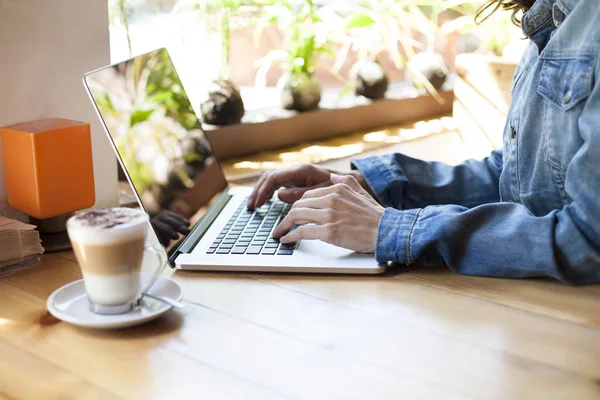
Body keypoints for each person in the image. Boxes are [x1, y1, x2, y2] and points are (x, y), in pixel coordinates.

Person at [248, 0, 600, 285]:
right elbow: (515, 176)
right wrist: (374, 184)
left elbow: (588, 239)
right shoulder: (548, 15)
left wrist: (395, 229)